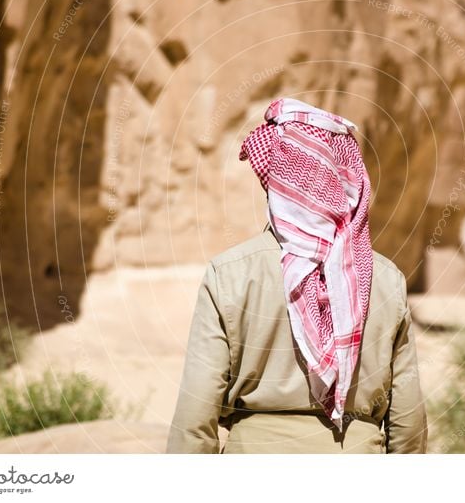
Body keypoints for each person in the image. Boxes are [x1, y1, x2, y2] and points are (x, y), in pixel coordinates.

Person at [166, 97, 427, 454]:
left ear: (274, 180)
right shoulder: (385, 279)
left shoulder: (229, 274)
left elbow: (195, 421)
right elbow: (407, 423)